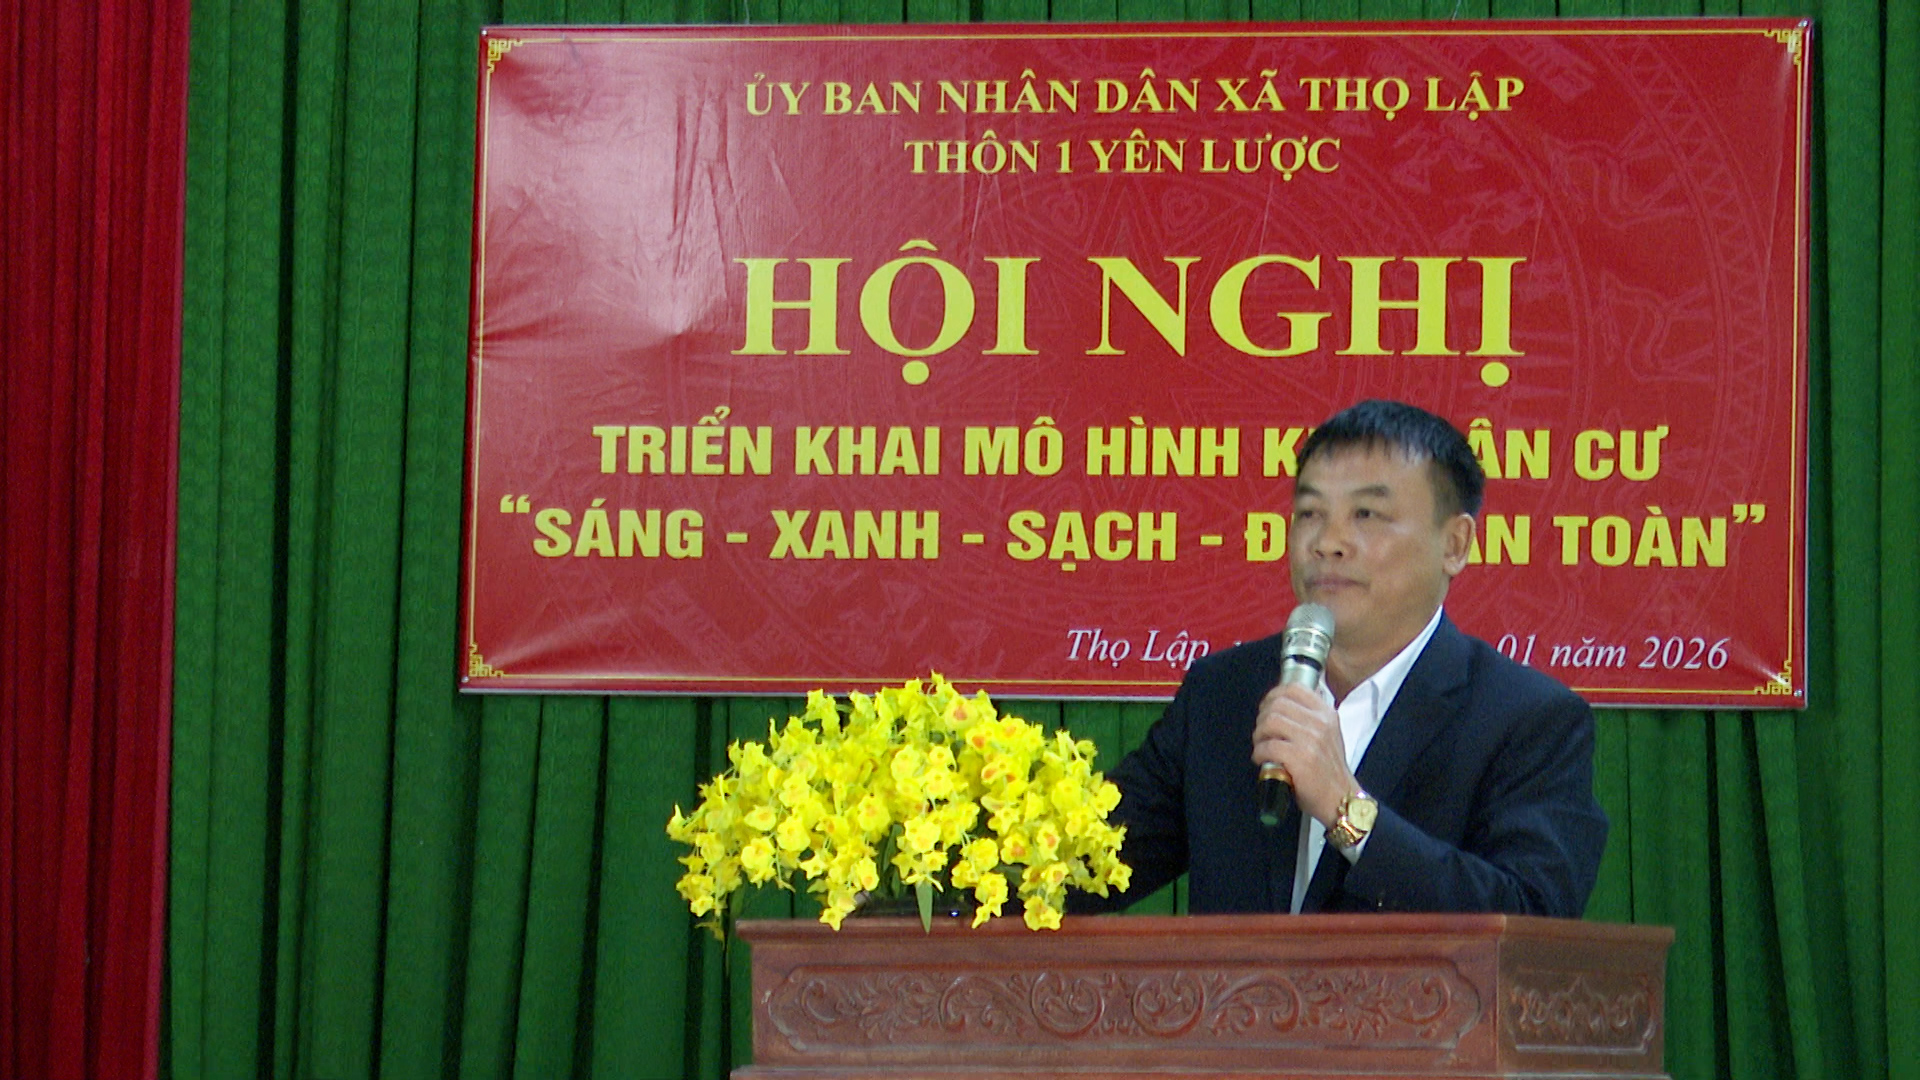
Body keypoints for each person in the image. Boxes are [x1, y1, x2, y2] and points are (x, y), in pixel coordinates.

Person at [1078, 400, 1607, 917]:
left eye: (1366, 515)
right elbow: (1088, 864)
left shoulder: (1527, 720)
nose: (1328, 542)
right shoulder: (1224, 693)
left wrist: (1345, 809)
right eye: (1310, 513)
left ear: (1455, 544)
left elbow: (1530, 918)